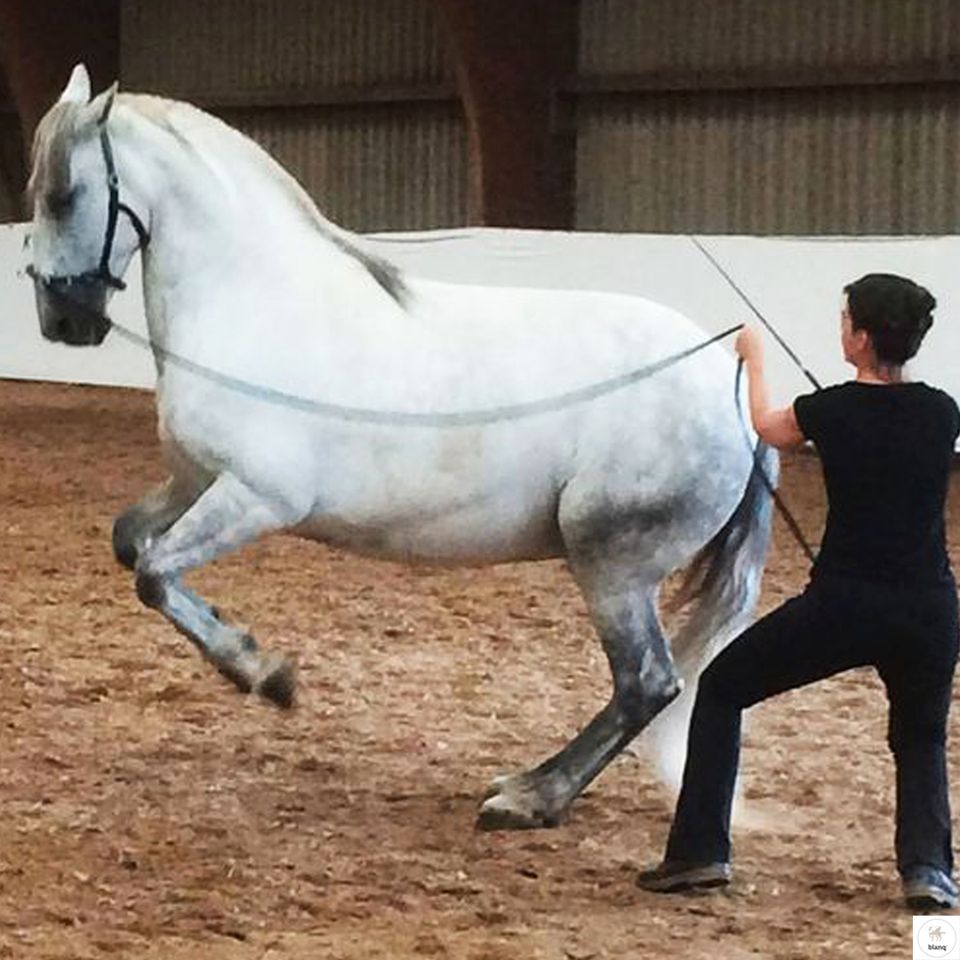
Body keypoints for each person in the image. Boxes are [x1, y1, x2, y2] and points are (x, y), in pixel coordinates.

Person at [636, 273, 960, 910]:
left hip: (845, 604)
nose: (842, 329)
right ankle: (929, 873)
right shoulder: (941, 410)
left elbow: (767, 426)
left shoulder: (830, 409)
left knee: (724, 688)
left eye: (846, 321)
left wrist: (755, 361)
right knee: (920, 739)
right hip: (930, 607)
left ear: (862, 339)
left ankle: (699, 854)